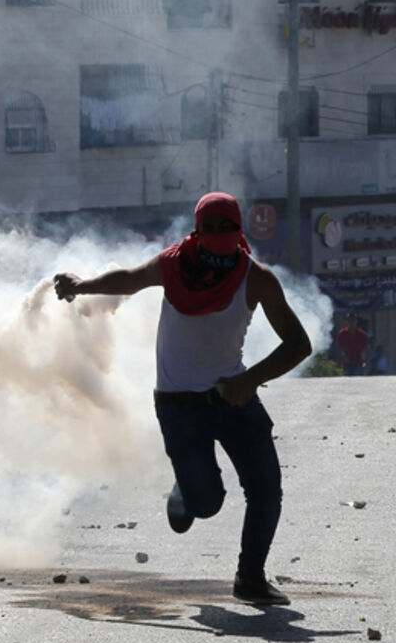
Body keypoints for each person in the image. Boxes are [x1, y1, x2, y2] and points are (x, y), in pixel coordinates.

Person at [53, 192, 312, 607]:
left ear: (238, 229)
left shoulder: (256, 277)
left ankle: (250, 578)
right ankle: (188, 491)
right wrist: (82, 286)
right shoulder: (173, 265)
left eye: (224, 227)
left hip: (233, 395)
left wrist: (252, 379)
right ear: (196, 229)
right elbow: (129, 280)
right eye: (207, 228)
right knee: (206, 504)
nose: (215, 237)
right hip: (178, 405)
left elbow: (299, 344)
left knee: (266, 489)